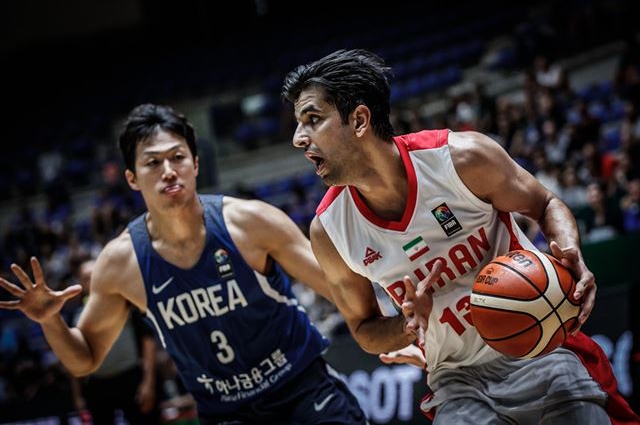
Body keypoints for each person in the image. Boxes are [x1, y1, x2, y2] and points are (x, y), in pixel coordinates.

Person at [281, 49, 640, 424]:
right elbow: (364, 331)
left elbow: (545, 203)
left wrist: (570, 250)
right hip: (457, 381)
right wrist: (407, 325)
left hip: (540, 349)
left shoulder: (459, 159)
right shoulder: (329, 230)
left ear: (359, 120)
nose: (298, 139)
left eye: (313, 119)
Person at [0, 104, 367, 424]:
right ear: (131, 177)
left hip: (301, 388)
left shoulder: (251, 222)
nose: (168, 170)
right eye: (152, 162)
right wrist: (50, 321)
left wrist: (391, 326)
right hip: (228, 413)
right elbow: (85, 358)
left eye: (177, 157)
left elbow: (337, 288)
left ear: (195, 163)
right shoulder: (121, 262)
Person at [68, 257, 160, 425]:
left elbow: (148, 341)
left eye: (94, 275)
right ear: (80, 282)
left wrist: (148, 382)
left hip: (131, 379)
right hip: (97, 385)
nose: (91, 280)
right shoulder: (74, 314)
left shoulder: (126, 301)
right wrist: (78, 396)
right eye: (86, 277)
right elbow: (71, 357)